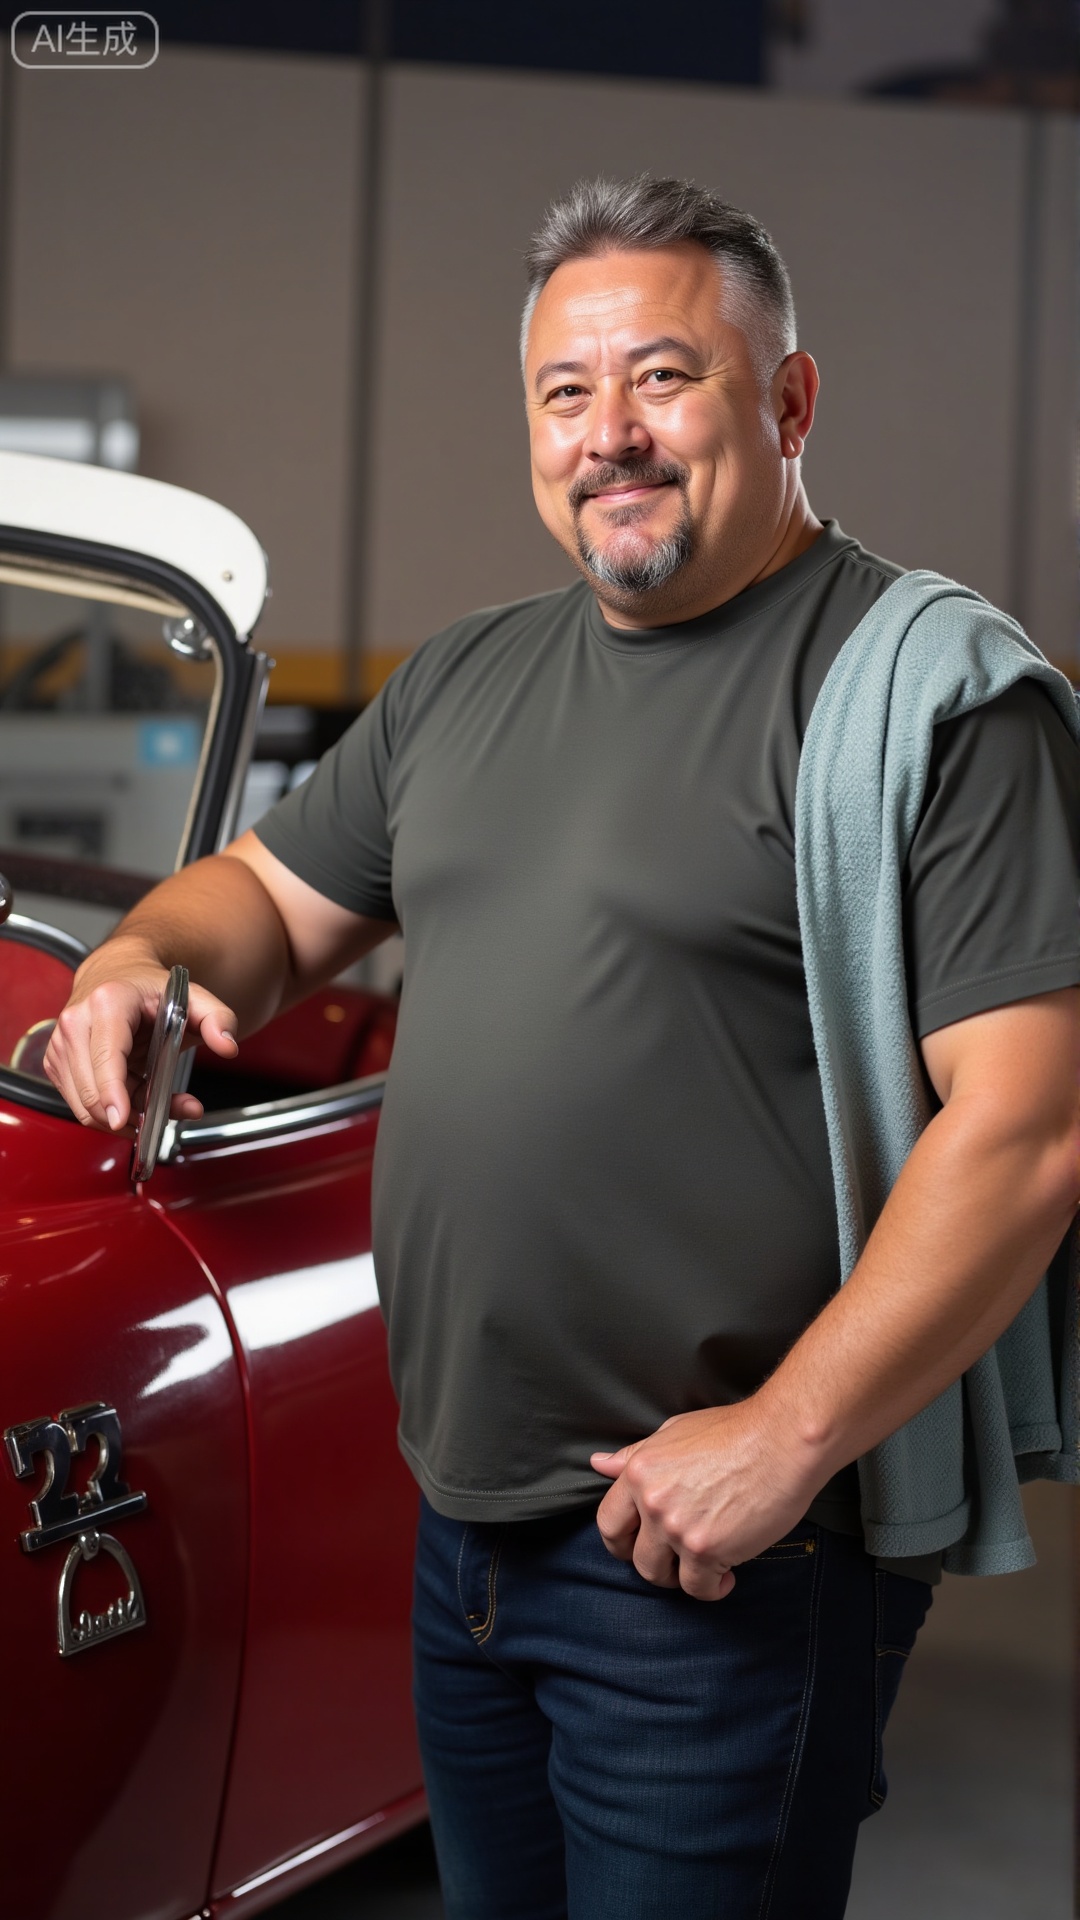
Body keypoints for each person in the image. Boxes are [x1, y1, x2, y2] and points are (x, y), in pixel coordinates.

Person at [45, 176, 1080, 1919]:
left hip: (716, 1563)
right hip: (461, 1534)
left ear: (791, 400)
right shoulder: (465, 681)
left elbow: (1029, 1133)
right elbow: (267, 908)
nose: (613, 437)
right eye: (565, 394)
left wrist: (784, 1438)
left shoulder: (927, 697)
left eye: (666, 377)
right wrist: (141, 955)